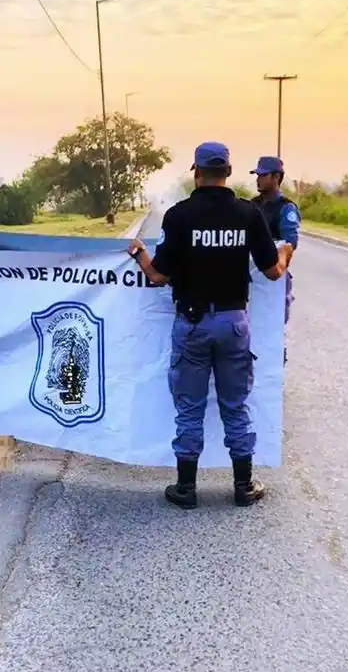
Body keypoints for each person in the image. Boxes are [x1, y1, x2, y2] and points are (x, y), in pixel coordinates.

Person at [126, 141, 290, 509]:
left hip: (193, 324)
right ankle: (243, 486)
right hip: (234, 323)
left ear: (196, 173)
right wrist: (286, 250)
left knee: (189, 406)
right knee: (235, 404)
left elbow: (158, 277)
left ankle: (186, 488)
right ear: (229, 172)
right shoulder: (250, 215)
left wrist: (138, 253)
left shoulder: (179, 216)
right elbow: (273, 271)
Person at [250, 156, 301, 363]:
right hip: (251, 277)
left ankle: (273, 370)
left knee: (273, 326)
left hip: (275, 277)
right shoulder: (251, 206)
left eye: (263, 175)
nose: (258, 179)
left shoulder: (285, 208)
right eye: (257, 175)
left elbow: (290, 243)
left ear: (277, 177)